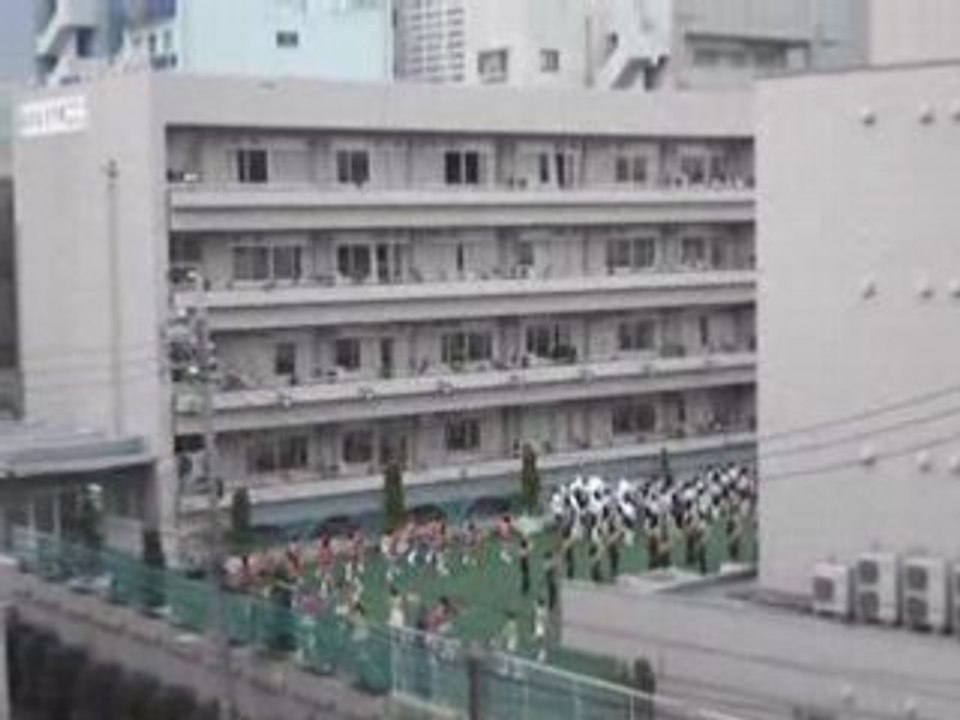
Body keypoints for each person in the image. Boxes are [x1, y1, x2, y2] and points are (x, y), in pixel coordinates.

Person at [533, 598, 549, 663]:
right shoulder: (542, 609)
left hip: (540, 627)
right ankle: (539, 653)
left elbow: (544, 619)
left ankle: (541, 654)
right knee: (539, 641)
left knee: (541, 641)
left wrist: (545, 627)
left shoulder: (541, 610)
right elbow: (535, 603)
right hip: (539, 627)